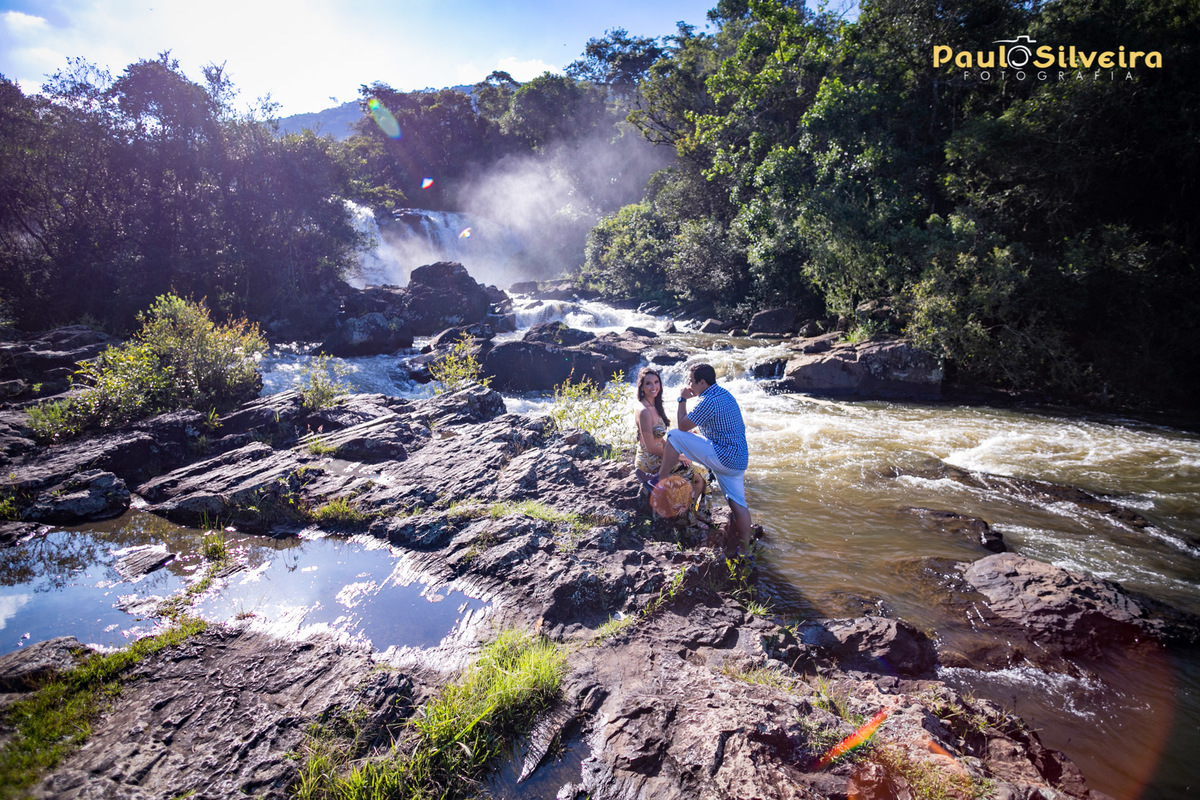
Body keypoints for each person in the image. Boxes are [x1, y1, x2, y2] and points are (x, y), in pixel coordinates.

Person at [655, 363, 751, 550]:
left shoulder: (708, 401)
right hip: (738, 460)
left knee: (674, 435)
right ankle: (746, 550)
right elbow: (720, 426)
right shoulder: (723, 394)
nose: (688, 384)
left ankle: (660, 479)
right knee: (737, 503)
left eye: (691, 381)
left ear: (702, 382)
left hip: (723, 457)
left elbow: (682, 426)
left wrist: (682, 399)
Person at [633, 367, 706, 504]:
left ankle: (693, 515)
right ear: (641, 387)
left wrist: (677, 452)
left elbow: (659, 439)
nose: (654, 386)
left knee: (701, 474)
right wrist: (678, 457)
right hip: (650, 461)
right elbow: (651, 448)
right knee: (700, 477)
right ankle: (689, 518)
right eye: (648, 383)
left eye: (656, 382)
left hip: (661, 455)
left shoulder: (655, 405)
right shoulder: (644, 411)